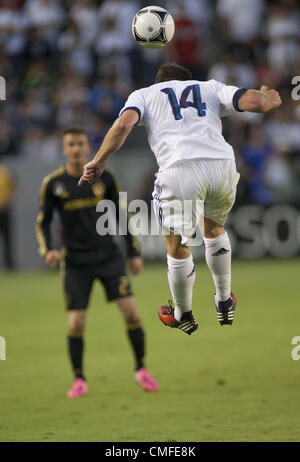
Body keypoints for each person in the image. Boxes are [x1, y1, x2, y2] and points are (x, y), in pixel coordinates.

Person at [78, 63, 282, 336]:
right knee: (213, 229)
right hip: (221, 164)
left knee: (177, 244)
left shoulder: (146, 93)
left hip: (180, 167)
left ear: (160, 81)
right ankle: (223, 298)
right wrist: (268, 98)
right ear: (188, 80)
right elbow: (255, 102)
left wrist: (99, 160)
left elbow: (124, 124)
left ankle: (183, 313)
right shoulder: (210, 87)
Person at [36, 126, 158, 398]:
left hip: (108, 257)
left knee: (131, 313)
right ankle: (79, 379)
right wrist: (48, 251)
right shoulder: (53, 184)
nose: (76, 148)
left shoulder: (106, 178)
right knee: (76, 323)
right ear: (64, 149)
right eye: (71, 144)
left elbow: (121, 218)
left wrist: (133, 252)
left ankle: (141, 369)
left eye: (80, 143)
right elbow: (43, 223)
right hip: (76, 262)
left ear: (87, 147)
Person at [0, 163, 16, 270]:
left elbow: (13, 188)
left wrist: (6, 202)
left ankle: (9, 264)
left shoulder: (5, 172)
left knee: (7, 239)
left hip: (4, 211)